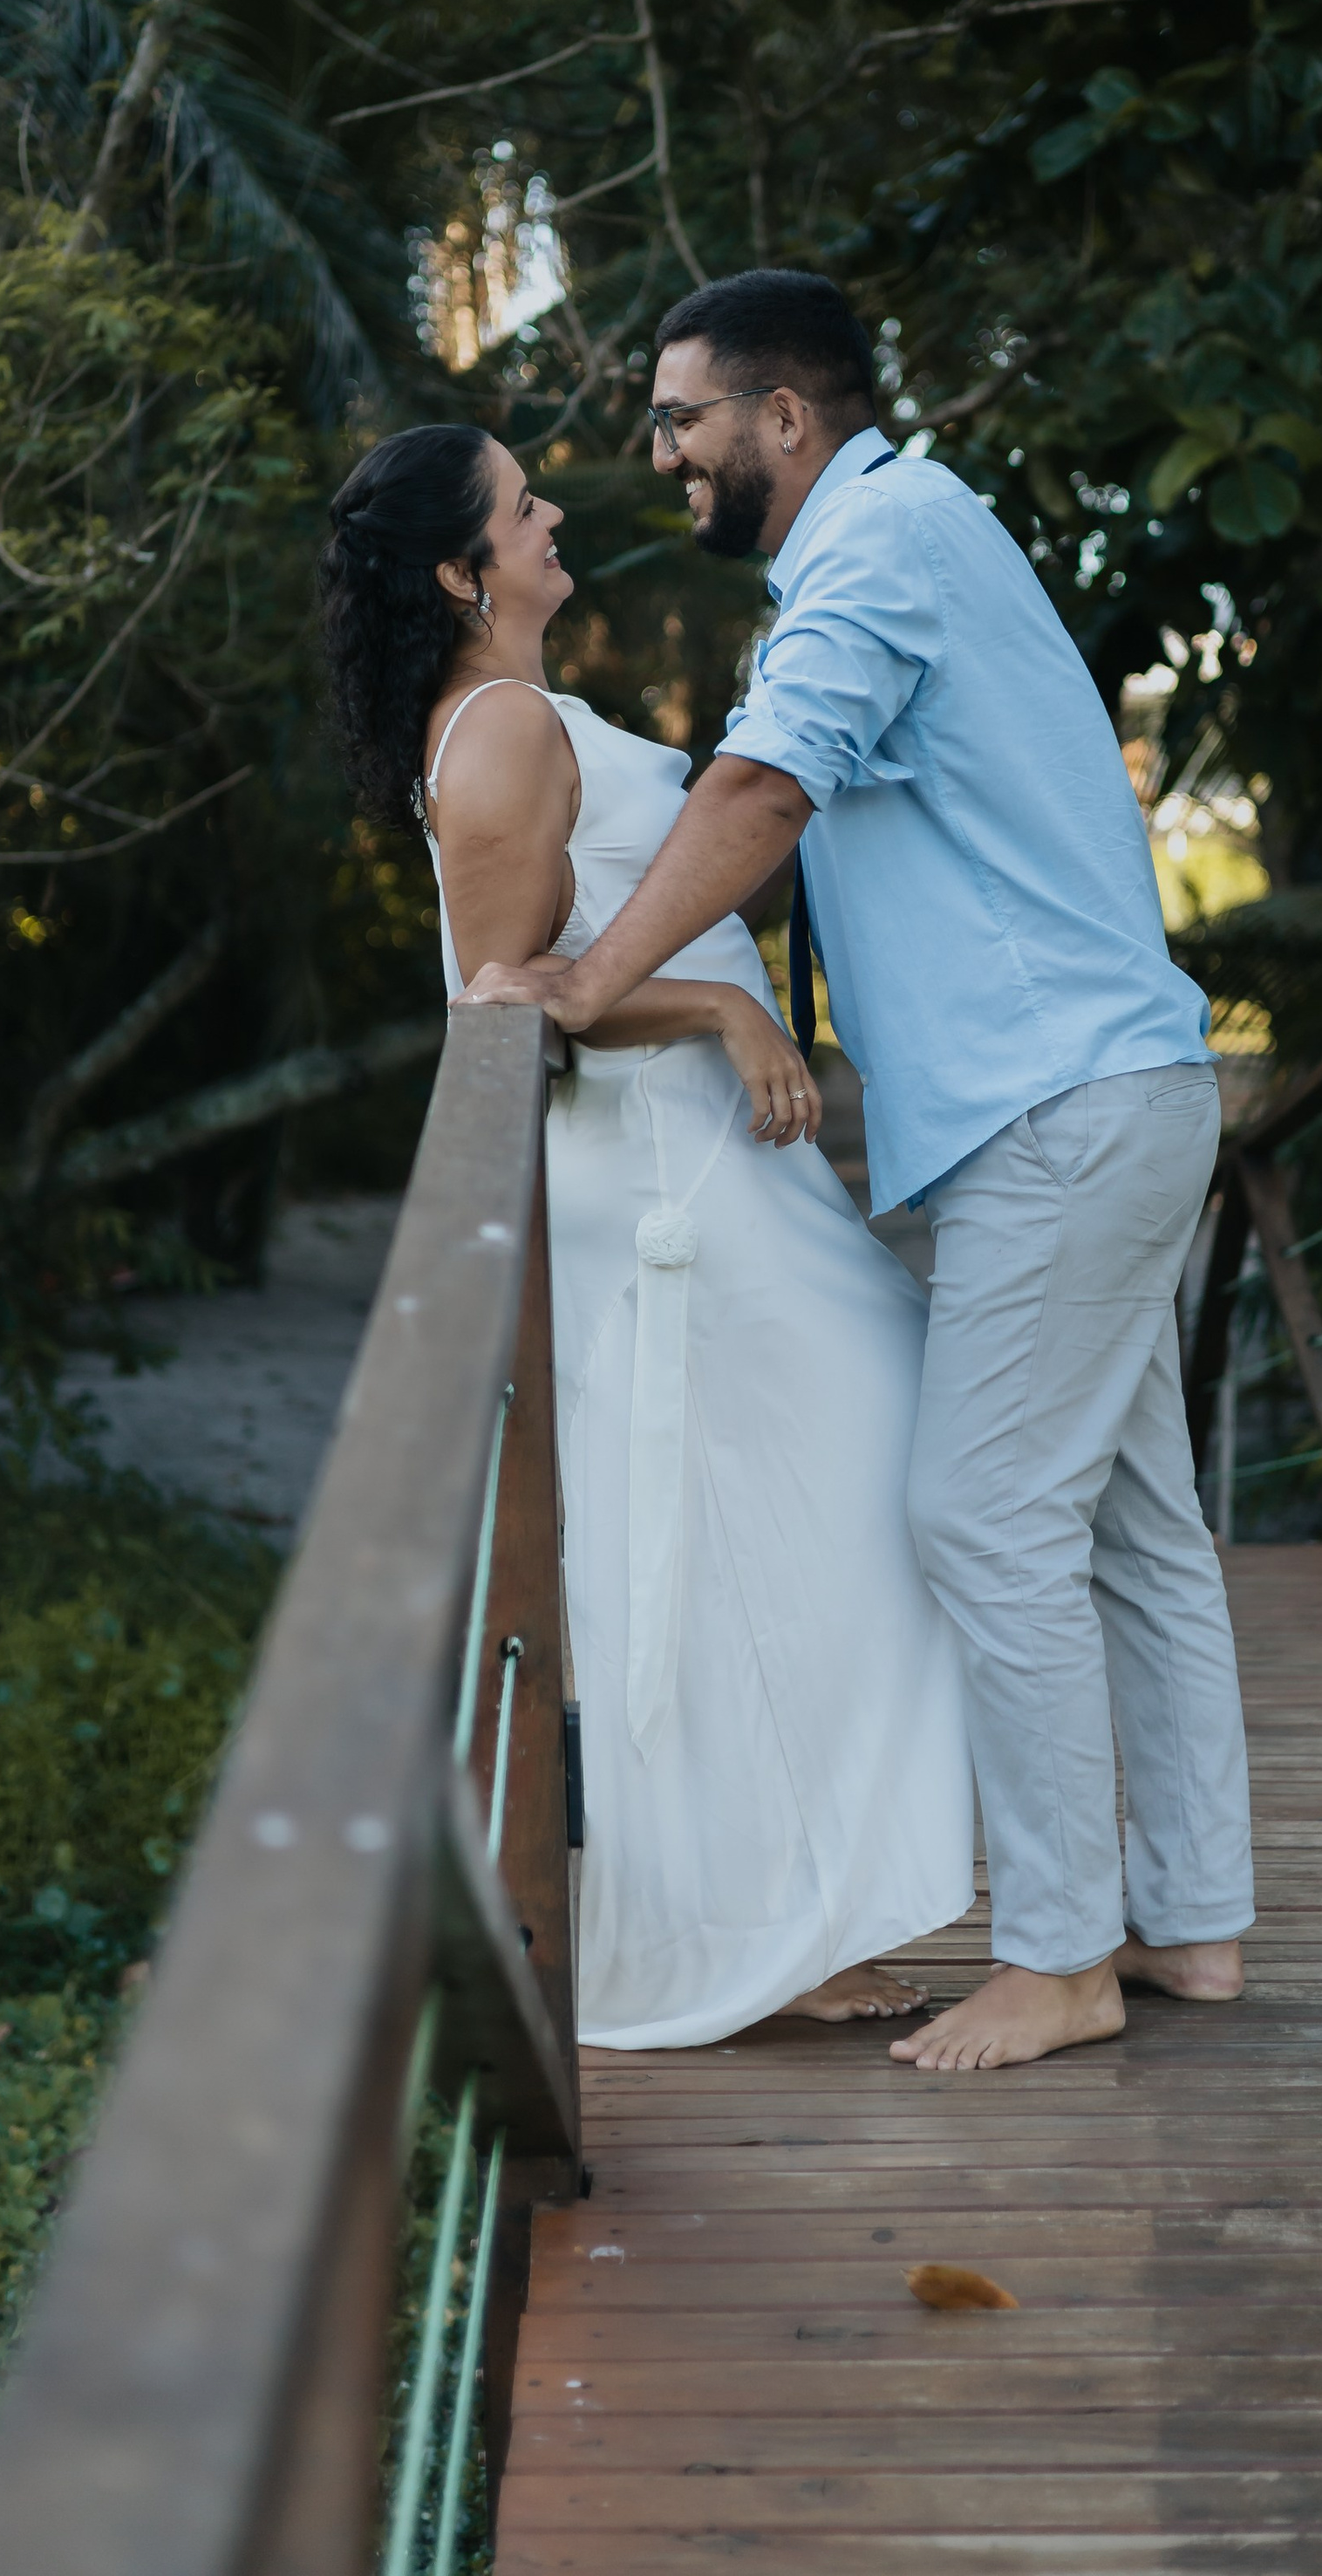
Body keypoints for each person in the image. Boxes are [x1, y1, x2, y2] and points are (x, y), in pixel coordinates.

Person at [460, 270, 1255, 2072]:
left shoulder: (878, 548)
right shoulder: (899, 535)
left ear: (782, 416)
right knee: (1130, 1525)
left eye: (681, 420)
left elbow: (762, 793)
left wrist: (584, 982)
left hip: (1059, 1108)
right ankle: (1191, 1920)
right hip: (1100, 1089)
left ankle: (1061, 1954)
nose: (662, 455)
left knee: (984, 1515)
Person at [318, 422, 975, 2050]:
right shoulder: (496, 734)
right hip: (663, 1186)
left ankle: (808, 1904)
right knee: (790, 1512)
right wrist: (719, 1013)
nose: (552, 513)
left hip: (710, 1172)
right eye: (520, 503)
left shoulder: (522, 714)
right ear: (462, 571)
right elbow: (503, 999)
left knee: (803, 1518)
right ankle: (769, 1926)